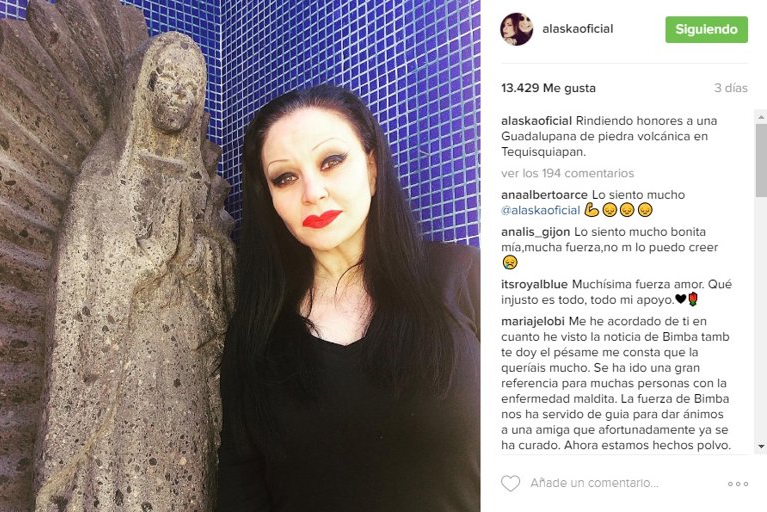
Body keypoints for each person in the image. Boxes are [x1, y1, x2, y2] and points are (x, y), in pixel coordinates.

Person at [217, 84, 479, 511]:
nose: (312, 192)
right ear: (271, 201)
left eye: (331, 161)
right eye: (285, 177)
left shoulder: (465, 278)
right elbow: (240, 489)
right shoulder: (255, 336)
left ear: (372, 169)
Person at [34, 33, 231, 510]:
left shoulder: (199, 183)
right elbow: (82, 279)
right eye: (167, 80)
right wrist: (146, 260)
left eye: (191, 87)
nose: (179, 96)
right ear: (142, 89)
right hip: (119, 367)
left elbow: (224, 276)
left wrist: (194, 255)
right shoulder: (104, 179)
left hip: (184, 361)